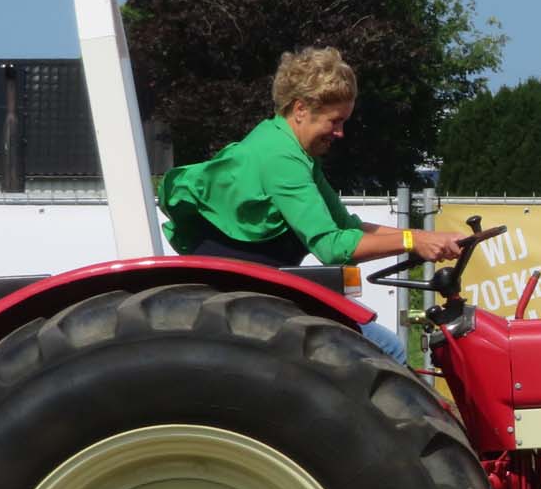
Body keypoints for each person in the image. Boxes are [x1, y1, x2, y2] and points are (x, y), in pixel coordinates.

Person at [156, 46, 465, 362]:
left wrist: (427, 239)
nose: (341, 132)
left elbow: (347, 227)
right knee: (387, 349)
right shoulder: (280, 157)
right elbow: (331, 247)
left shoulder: (291, 149)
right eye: (336, 121)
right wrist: (413, 240)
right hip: (244, 300)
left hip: (259, 291)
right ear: (301, 109)